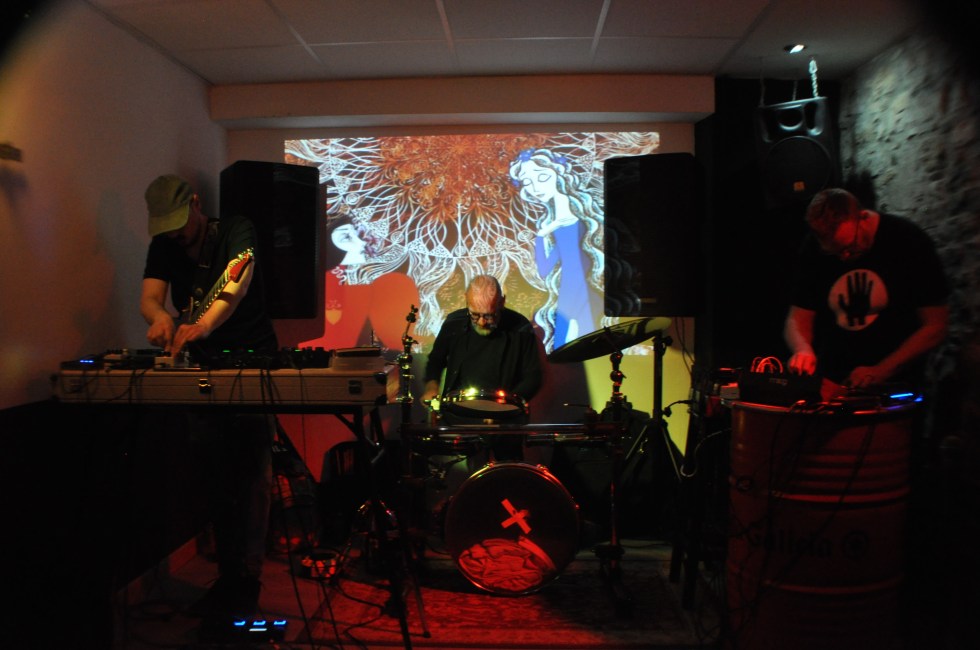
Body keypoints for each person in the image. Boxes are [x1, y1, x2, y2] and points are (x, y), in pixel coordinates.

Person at [140, 174, 278, 636]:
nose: (176, 237)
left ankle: (248, 580)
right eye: (167, 229)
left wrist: (203, 326)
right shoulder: (164, 243)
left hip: (251, 363)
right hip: (202, 371)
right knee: (214, 474)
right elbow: (150, 298)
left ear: (197, 205)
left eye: (180, 225)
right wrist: (160, 317)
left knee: (252, 473)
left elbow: (236, 283)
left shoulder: (236, 229)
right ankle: (229, 576)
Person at [784, 188, 949, 393]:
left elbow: (936, 326)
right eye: (835, 252)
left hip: (896, 384)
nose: (844, 257)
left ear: (863, 217)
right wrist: (803, 349)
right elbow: (798, 317)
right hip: (834, 381)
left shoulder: (908, 240)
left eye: (849, 247)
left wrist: (881, 370)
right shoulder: (813, 249)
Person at [509, 148, 604, 352]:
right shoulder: (550, 223)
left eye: (542, 177)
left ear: (559, 173)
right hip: (567, 291)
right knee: (568, 349)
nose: (536, 187)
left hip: (582, 290)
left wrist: (545, 232)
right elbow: (545, 269)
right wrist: (542, 235)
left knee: (581, 347)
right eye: (527, 182)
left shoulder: (580, 211)